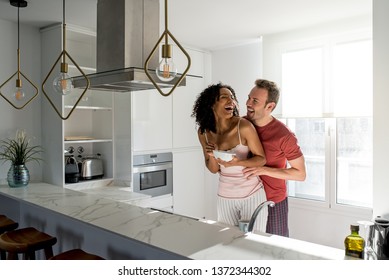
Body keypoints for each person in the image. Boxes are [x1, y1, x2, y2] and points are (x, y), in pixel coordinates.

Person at [191, 82, 268, 232]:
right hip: (225, 196)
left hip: (251, 193)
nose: (231, 101)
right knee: (228, 241)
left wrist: (238, 163)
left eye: (232, 98)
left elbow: (261, 159)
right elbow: (213, 169)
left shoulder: (243, 127)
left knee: (256, 242)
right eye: (224, 97)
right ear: (211, 104)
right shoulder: (204, 133)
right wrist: (210, 154)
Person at [243, 79, 306, 237]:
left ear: (270, 106)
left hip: (272, 202)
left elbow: (300, 174)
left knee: (275, 251)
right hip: (244, 199)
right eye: (249, 98)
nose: (248, 103)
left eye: (255, 101)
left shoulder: (284, 135)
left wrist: (263, 170)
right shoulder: (241, 124)